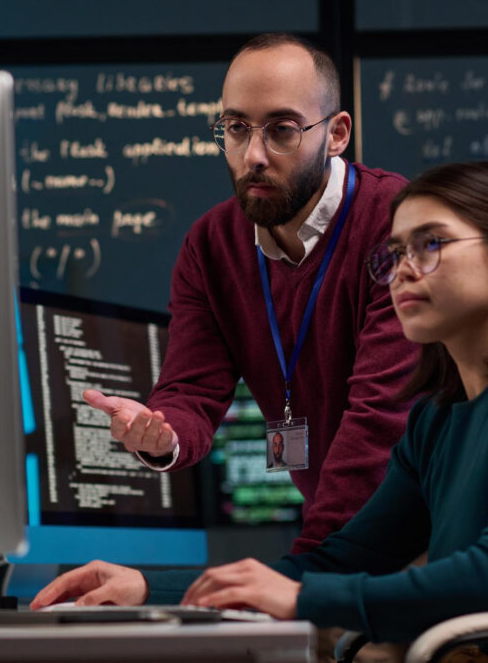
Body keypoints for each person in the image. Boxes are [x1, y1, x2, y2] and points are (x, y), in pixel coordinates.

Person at [32, 161, 488, 646]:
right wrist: (151, 588)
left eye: (430, 245)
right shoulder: (438, 418)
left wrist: (306, 600)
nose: (400, 270)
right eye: (393, 253)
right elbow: (332, 561)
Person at [83, 32, 417, 553]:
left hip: (433, 530)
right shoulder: (210, 245)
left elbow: (381, 421)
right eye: (236, 128)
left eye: (282, 130)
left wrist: (304, 573)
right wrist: (163, 433)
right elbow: (191, 389)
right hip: (342, 543)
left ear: (337, 133)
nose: (253, 155)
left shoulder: (396, 220)